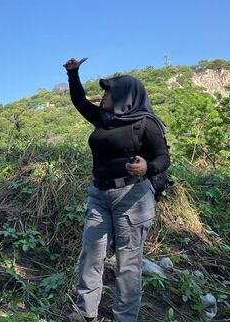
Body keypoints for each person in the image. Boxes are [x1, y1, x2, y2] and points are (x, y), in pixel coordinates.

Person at [63, 58, 170, 322]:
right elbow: (79, 101)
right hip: (99, 195)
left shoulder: (146, 123)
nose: (103, 96)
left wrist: (147, 168)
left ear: (124, 95)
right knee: (91, 254)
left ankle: (124, 318)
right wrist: (73, 73)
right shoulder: (104, 119)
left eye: (108, 92)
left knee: (128, 263)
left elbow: (162, 158)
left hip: (132, 197)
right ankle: (84, 312)